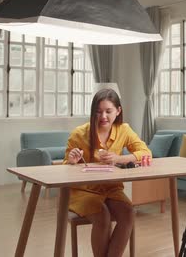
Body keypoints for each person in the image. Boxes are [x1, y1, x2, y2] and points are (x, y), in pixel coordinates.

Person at [64, 88, 151, 257]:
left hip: (111, 189)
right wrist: (72, 161)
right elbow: (65, 168)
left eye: (108, 111)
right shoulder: (79, 134)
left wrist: (119, 159)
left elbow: (145, 152)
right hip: (82, 190)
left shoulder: (124, 130)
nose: (103, 116)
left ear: (118, 111)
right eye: (98, 112)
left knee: (128, 213)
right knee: (102, 217)